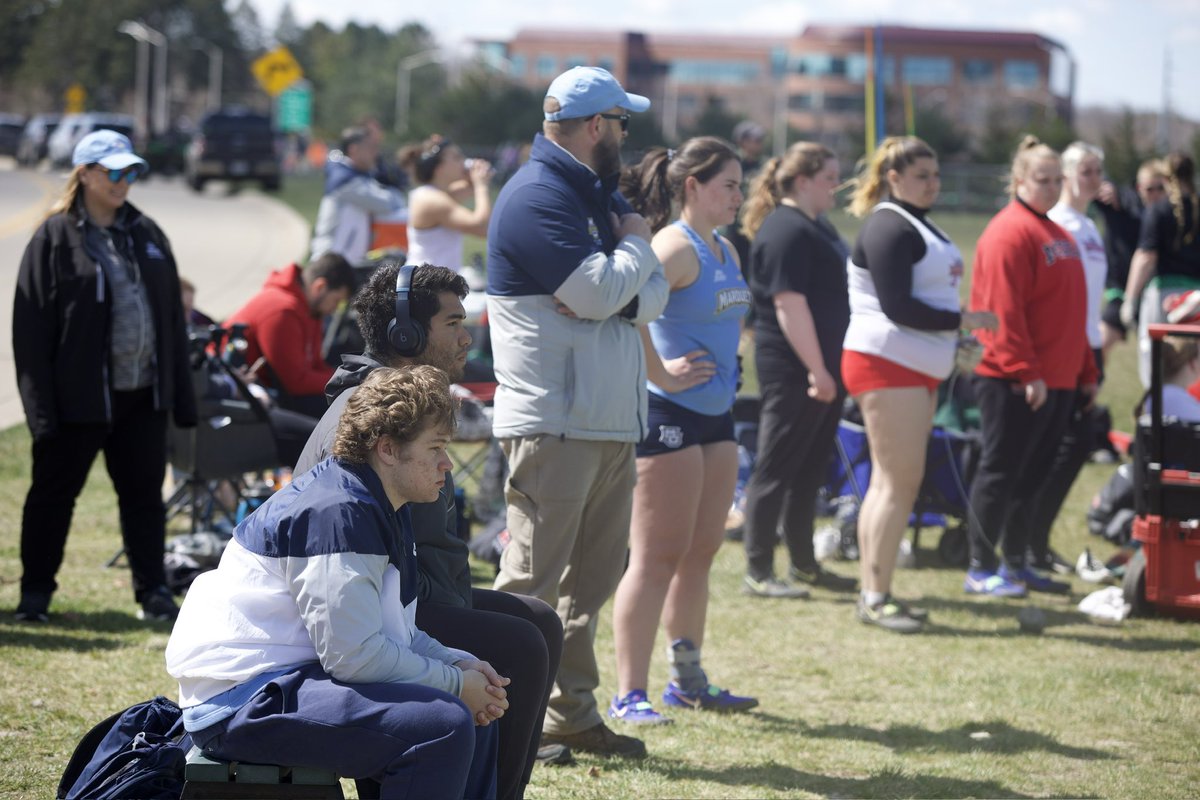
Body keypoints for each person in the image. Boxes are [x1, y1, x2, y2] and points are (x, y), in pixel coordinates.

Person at [166, 367, 504, 800]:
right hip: (239, 700)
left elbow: (395, 633)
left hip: (289, 680)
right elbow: (355, 658)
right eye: (435, 448)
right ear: (387, 448)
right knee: (441, 726)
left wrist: (462, 665)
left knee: (474, 713)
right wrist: (455, 685)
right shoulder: (339, 510)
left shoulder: (379, 499)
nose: (447, 464)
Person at [295, 261, 566, 796]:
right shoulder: (377, 416)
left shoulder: (393, 397)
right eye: (452, 323)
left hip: (409, 598)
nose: (468, 337)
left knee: (537, 621)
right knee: (521, 644)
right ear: (406, 333)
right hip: (364, 616)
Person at [486, 65, 668, 758]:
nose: (625, 135)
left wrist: (623, 275)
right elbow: (601, 296)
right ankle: (496, 726)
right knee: (529, 584)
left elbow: (645, 300)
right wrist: (636, 247)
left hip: (604, 420)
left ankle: (568, 715)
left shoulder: (588, 196)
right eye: (623, 122)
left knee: (587, 587)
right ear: (598, 126)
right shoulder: (538, 195)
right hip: (556, 423)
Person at [12, 129, 197, 623]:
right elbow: (29, 333)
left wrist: (180, 396)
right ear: (85, 173)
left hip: (142, 396)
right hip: (78, 400)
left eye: (130, 172)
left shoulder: (147, 233)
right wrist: (40, 410)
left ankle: (154, 592)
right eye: (113, 172)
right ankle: (35, 596)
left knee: (143, 499)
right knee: (53, 497)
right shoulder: (53, 239)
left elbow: (172, 321)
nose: (123, 182)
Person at [607, 137, 755, 726]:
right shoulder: (674, 245)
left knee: (702, 551)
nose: (740, 196)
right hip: (667, 414)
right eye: (730, 186)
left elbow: (720, 318)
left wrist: (732, 356)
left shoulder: (726, 248)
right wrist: (659, 369)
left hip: (718, 413)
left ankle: (687, 679)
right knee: (656, 555)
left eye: (741, 185)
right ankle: (628, 693)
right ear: (691, 186)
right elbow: (626, 308)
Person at [842, 136, 998, 631]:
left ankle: (875, 590)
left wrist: (953, 343)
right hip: (885, 364)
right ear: (893, 177)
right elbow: (899, 307)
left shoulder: (913, 223)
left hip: (907, 365)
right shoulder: (889, 225)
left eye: (936, 174)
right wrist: (962, 320)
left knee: (892, 483)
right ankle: (875, 595)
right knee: (898, 483)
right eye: (922, 175)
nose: (934, 183)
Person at [966, 136, 1098, 598]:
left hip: (1057, 379)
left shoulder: (1057, 232)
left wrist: (1085, 371)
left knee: (1033, 476)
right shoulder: (1010, 231)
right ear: (1019, 181)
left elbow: (1072, 310)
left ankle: (1017, 562)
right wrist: (1027, 372)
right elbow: (1003, 311)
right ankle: (981, 568)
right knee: (1000, 471)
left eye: (1057, 180)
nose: (1052, 187)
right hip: (1012, 380)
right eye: (1042, 180)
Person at [736, 142, 858, 599]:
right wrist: (817, 370)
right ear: (802, 181)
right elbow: (788, 305)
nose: (837, 185)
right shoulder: (786, 229)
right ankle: (759, 569)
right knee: (777, 466)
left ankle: (804, 564)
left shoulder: (817, 225)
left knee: (810, 469)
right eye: (829, 176)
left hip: (823, 366)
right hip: (795, 369)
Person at [1026, 141, 1110, 571]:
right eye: (1087, 171)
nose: (1094, 179)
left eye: (1099, 171)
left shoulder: (1089, 226)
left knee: (1075, 444)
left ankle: (1036, 541)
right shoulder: (1061, 225)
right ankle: (1030, 542)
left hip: (1087, 348)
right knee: (1059, 447)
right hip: (1065, 350)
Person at [223, 253, 355, 419]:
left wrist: (348, 379)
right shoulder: (282, 310)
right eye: (336, 300)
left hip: (268, 390)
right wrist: (349, 379)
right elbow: (295, 382)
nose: (335, 309)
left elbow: (315, 366)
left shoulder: (311, 309)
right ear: (319, 287)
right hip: (234, 395)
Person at [1122, 152, 1200, 387]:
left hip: (1164, 296)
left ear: (1166, 177)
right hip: (1196, 299)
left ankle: (1156, 410)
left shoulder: (1160, 210)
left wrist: (1130, 299)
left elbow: (1146, 257)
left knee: (1155, 353)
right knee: (1191, 358)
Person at [1094, 159, 1167, 355]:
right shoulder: (1126, 204)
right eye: (1149, 188)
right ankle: (1089, 383)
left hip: (1156, 294)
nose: (1155, 194)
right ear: (1139, 187)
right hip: (1122, 291)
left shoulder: (1170, 214)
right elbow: (1100, 185)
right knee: (1100, 345)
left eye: (1161, 188)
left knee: (1161, 355)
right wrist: (1109, 188)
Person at [310, 125, 407, 264]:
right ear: (354, 149)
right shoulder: (345, 180)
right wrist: (396, 195)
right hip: (331, 260)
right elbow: (386, 203)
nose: (375, 154)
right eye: (370, 148)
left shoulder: (357, 176)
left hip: (344, 260)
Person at [400, 135, 494, 270]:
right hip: (425, 285)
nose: (463, 161)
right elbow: (480, 225)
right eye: (457, 158)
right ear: (439, 168)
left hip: (434, 282)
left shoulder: (437, 193)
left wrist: (477, 178)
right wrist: (482, 186)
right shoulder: (431, 200)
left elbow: (471, 187)